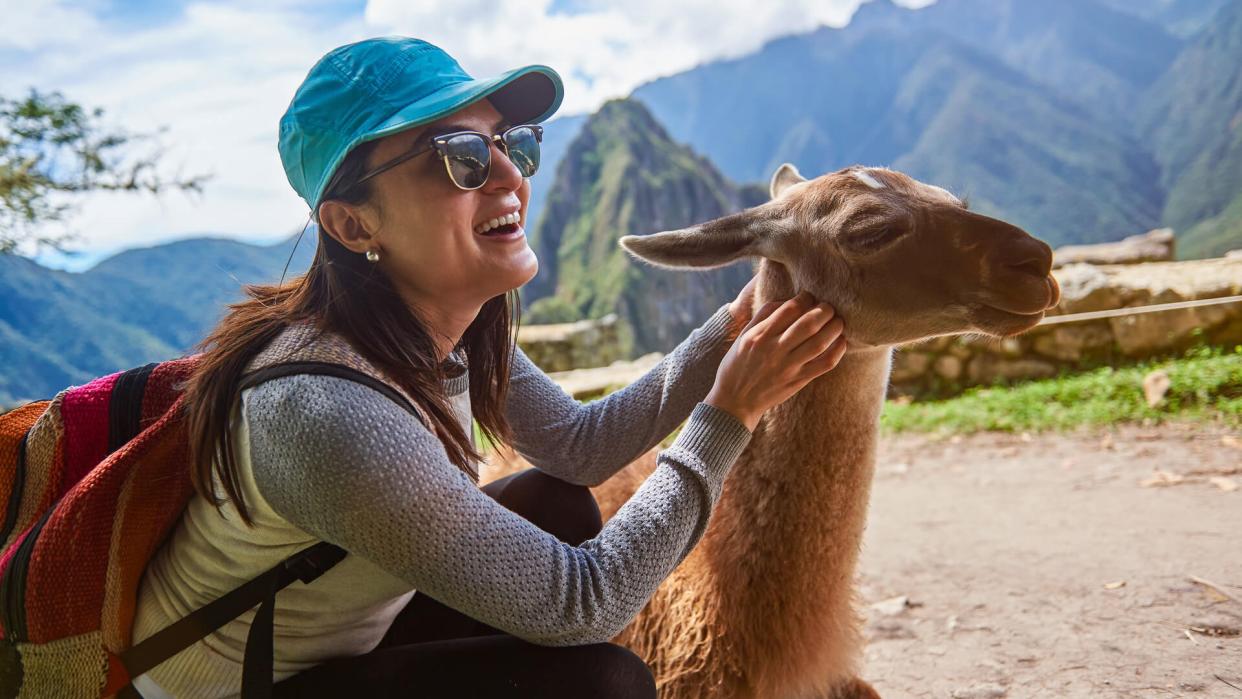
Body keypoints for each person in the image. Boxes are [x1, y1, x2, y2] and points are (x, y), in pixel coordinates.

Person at [129, 36, 848, 698]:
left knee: (561, 500)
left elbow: (581, 446)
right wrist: (724, 418)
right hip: (237, 686)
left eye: (510, 145)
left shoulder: (447, 329)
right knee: (602, 680)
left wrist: (734, 323)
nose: (508, 175)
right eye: (458, 157)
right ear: (353, 224)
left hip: (350, 639)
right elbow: (582, 604)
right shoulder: (325, 410)